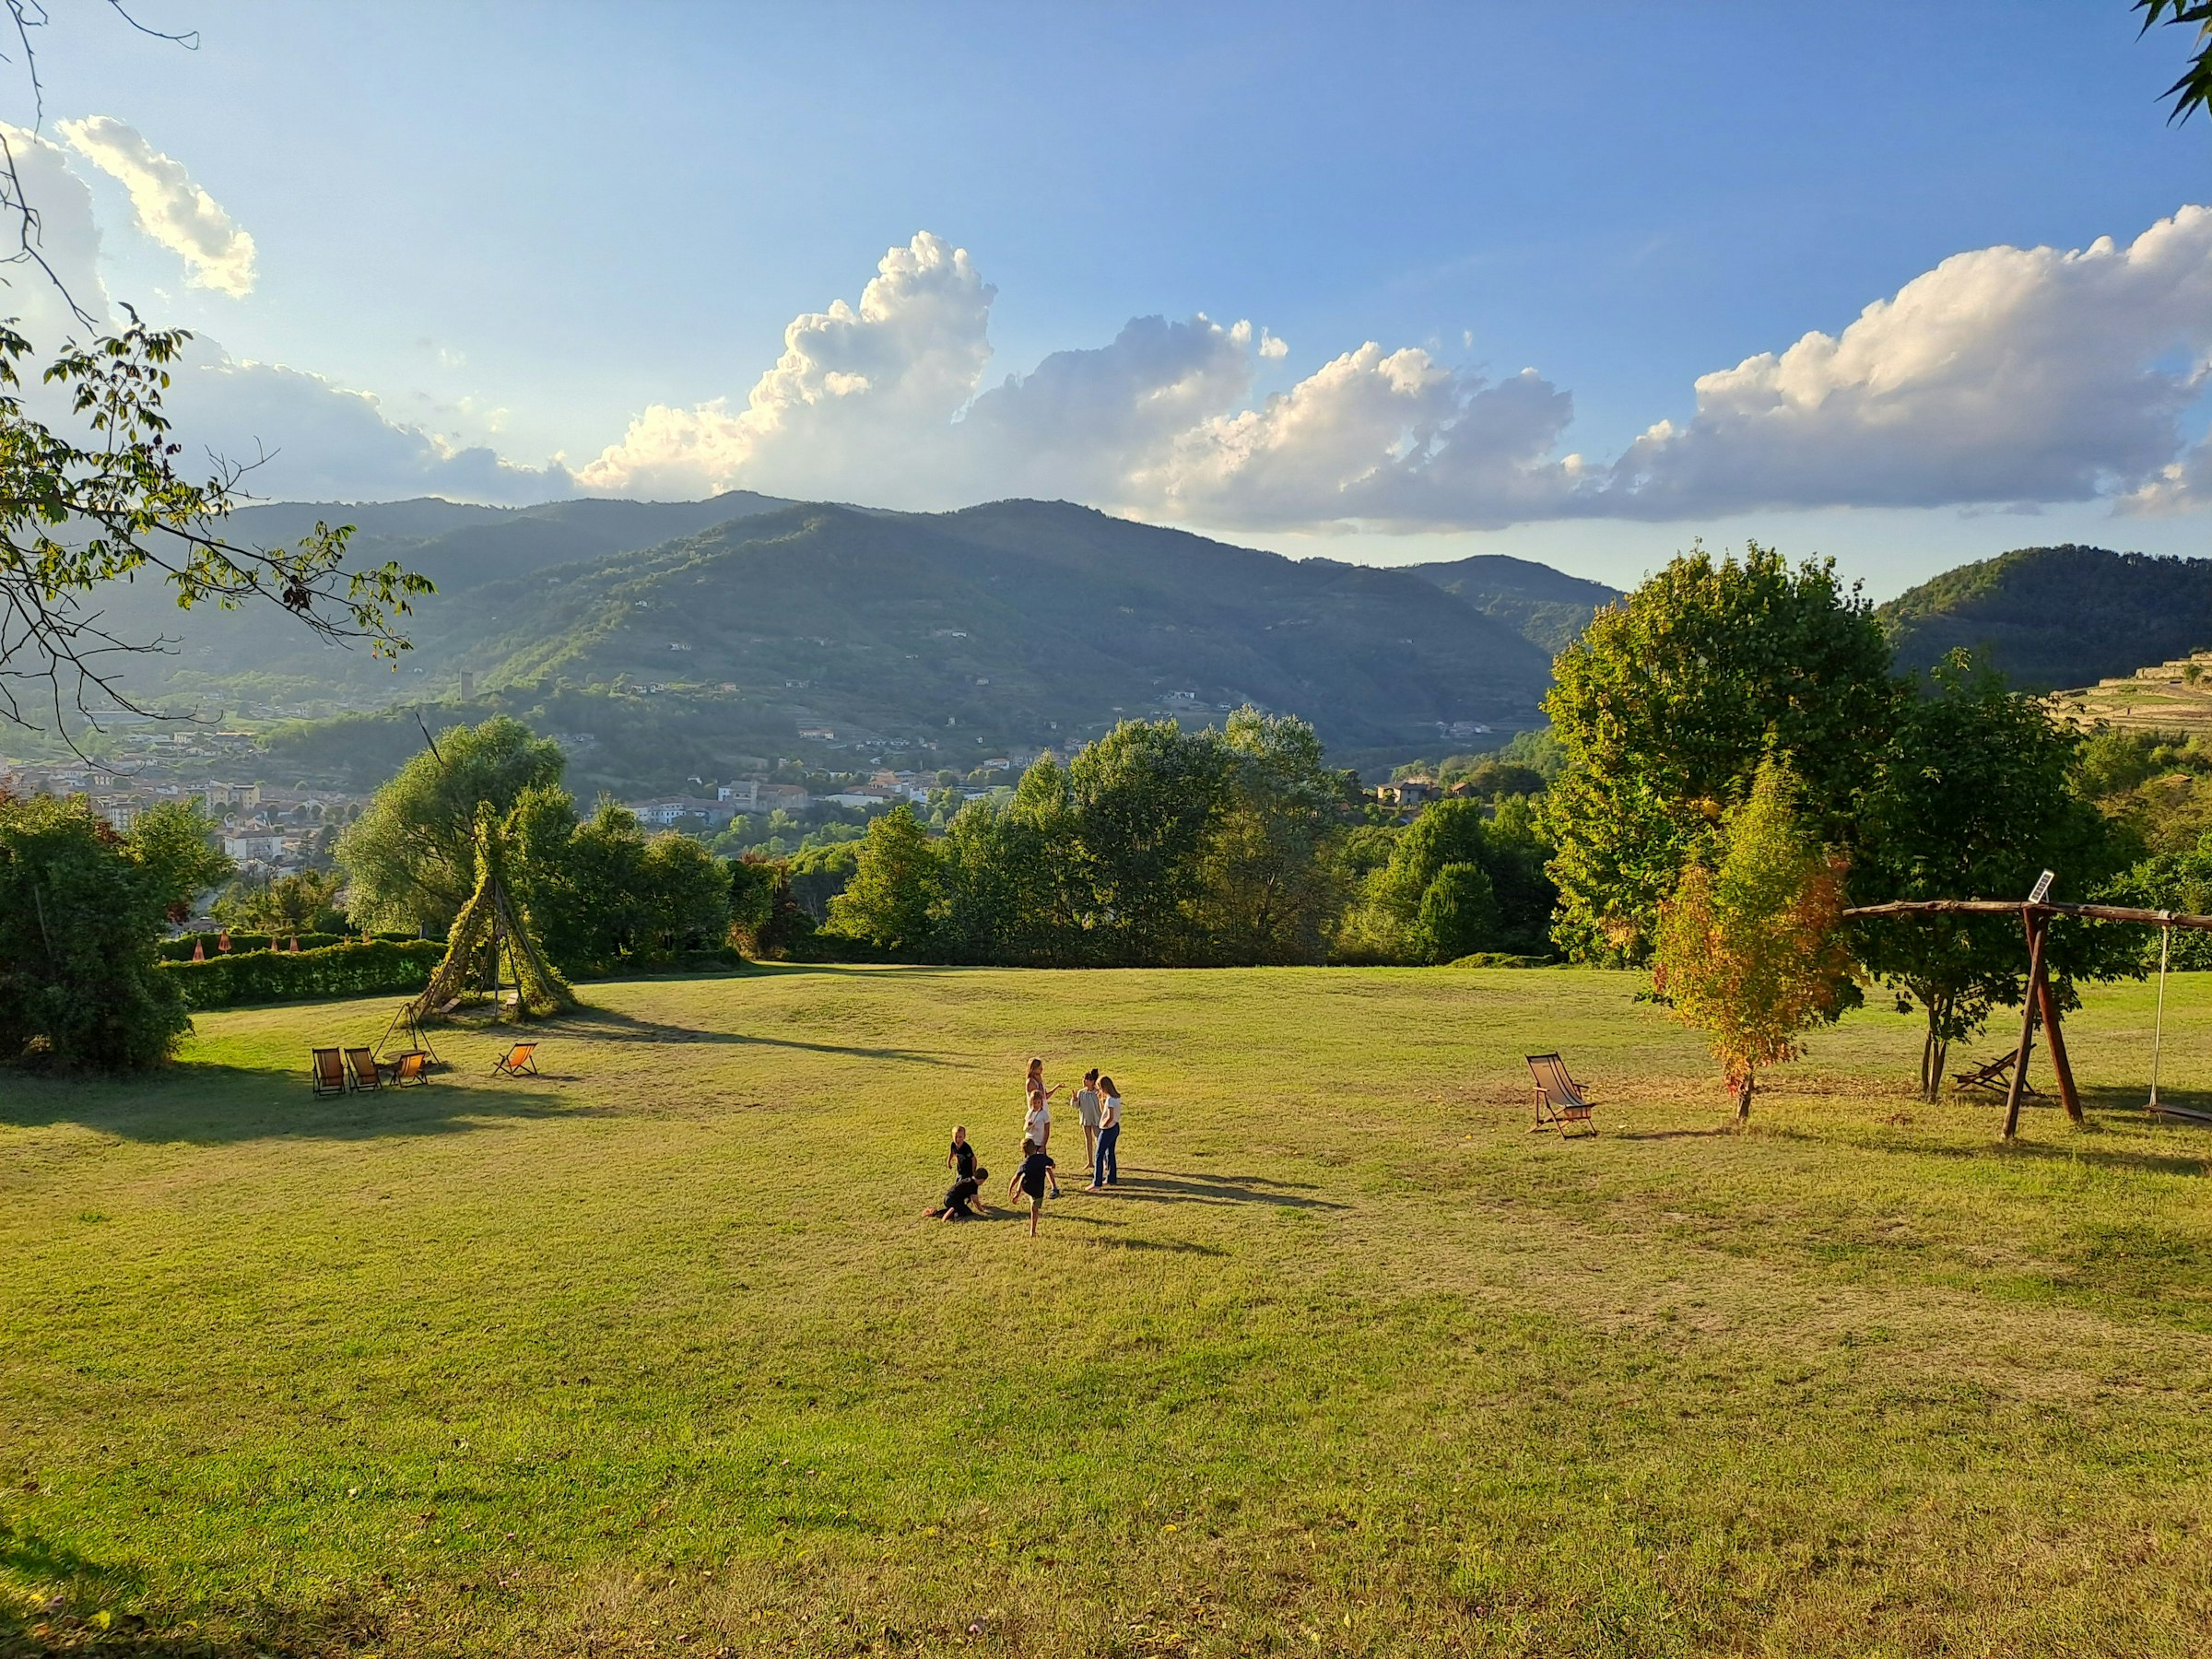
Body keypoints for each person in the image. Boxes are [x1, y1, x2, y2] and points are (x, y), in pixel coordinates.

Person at [1009, 1136, 1055, 1236]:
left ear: (1024, 1152)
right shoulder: (1042, 1158)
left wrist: (1010, 1188)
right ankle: (1033, 1231)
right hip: (1037, 1189)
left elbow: (1016, 1177)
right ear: (1035, 1148)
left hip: (1027, 1187)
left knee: (1023, 1176)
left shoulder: (1025, 1164)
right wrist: (1052, 1165)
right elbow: (1051, 1163)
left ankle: (1018, 1192)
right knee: (1034, 1210)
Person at [1024, 1083, 1061, 1197]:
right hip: (1030, 1143)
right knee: (1028, 1166)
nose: (1036, 1105)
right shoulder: (1030, 1113)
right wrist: (1029, 1125)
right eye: (1034, 1102)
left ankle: (1054, 1187)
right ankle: (1029, 1186)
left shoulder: (1044, 1114)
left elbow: (1047, 1130)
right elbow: (1024, 1128)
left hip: (1039, 1143)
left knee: (1045, 1166)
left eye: (1038, 1102)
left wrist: (1044, 1144)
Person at [1090, 1075, 1123, 1189]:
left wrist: (1104, 1124)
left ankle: (1097, 1182)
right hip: (1115, 1127)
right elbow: (1103, 1110)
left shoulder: (1109, 1100)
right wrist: (1100, 1099)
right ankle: (1111, 1178)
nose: (1099, 1090)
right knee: (1110, 1153)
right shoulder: (1116, 1098)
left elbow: (1109, 1116)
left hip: (1108, 1129)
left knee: (1099, 1155)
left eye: (1100, 1088)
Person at [1072, 1069, 1102, 1173]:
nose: (1085, 1081)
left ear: (1093, 1081)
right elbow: (1076, 1106)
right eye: (1084, 1079)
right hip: (1085, 1119)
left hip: (1096, 1119)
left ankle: (1104, 1161)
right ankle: (1090, 1161)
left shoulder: (1097, 1093)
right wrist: (1074, 1099)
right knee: (1088, 1139)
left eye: (1088, 1079)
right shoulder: (1081, 1093)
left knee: (1098, 1139)